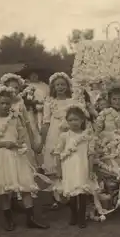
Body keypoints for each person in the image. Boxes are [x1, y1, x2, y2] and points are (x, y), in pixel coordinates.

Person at [0, 85, 49, 231]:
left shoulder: (15, 119)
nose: (5, 106)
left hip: (16, 155)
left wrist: (20, 143)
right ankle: (8, 218)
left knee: (25, 185)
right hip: (0, 157)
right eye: (2, 103)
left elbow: (21, 134)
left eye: (8, 103)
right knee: (5, 188)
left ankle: (31, 217)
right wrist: (4, 143)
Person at [53, 104, 100, 229]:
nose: (73, 122)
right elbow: (57, 153)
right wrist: (58, 169)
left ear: (82, 120)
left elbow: (90, 154)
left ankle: (81, 216)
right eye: (70, 120)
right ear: (67, 121)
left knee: (82, 193)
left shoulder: (88, 136)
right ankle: (73, 214)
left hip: (82, 167)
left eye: (76, 119)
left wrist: (90, 170)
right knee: (72, 193)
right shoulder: (64, 136)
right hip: (69, 167)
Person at [41, 72, 79, 209]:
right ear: (53, 87)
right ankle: (56, 197)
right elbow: (45, 122)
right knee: (54, 162)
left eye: (63, 84)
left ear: (68, 86)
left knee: (68, 160)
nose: (60, 87)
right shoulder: (49, 101)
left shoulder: (73, 100)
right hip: (54, 133)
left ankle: (70, 193)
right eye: (57, 85)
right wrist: (43, 140)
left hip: (70, 132)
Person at [18, 66, 50, 131]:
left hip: (44, 108)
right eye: (31, 75)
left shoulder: (45, 85)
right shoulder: (27, 86)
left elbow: (48, 96)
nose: (34, 76)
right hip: (31, 109)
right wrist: (33, 103)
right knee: (33, 126)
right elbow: (24, 99)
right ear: (29, 76)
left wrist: (44, 104)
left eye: (35, 75)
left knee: (43, 124)